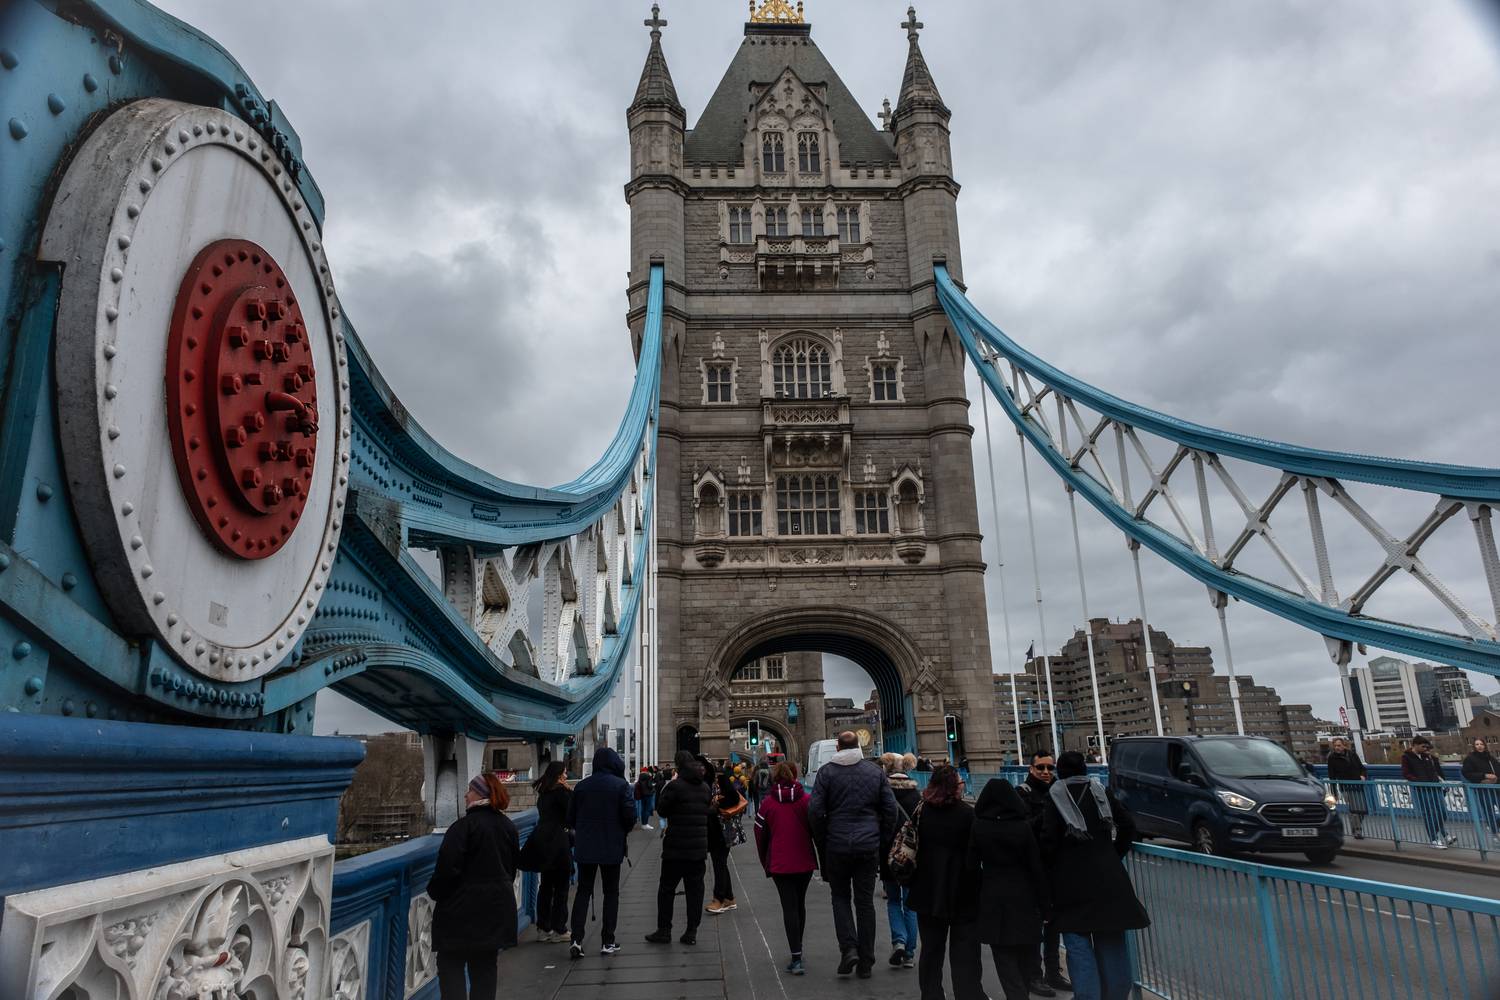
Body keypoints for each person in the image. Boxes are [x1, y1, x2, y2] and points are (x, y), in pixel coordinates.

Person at [1040, 751, 1149, 1000]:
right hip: (1107, 879)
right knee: (1112, 942)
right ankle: (1117, 995)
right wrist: (1112, 854)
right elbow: (1128, 826)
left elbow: (1048, 842)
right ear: (1085, 770)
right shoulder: (1101, 792)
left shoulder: (1055, 797)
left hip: (1071, 884)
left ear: (1059, 771)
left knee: (1078, 947)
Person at [808, 731, 900, 978]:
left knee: (840, 898)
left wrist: (822, 841)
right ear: (859, 746)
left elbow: (815, 812)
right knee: (864, 903)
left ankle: (849, 949)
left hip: (836, 845)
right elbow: (891, 809)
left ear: (838, 746)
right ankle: (867, 961)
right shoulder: (874, 772)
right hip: (867, 846)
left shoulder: (826, 773)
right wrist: (881, 839)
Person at [427, 773, 519, 1000]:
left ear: (479, 794)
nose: (466, 794)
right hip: (497, 910)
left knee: (451, 965)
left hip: (460, 912)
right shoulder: (508, 827)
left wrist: (435, 893)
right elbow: (511, 870)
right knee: (485, 969)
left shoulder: (462, 828)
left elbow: (447, 871)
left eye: (469, 789)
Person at [904, 764, 984, 1000]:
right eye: (959, 783)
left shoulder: (921, 811)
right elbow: (976, 853)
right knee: (965, 952)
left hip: (927, 890)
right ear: (952, 787)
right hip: (962, 890)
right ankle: (967, 994)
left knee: (930, 950)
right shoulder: (967, 814)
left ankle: (931, 995)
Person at [968, 779, 1049, 1000]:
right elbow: (1036, 867)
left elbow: (971, 867)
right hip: (1024, 897)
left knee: (1003, 958)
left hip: (993, 896)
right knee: (1026, 954)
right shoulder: (1022, 827)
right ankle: (1023, 992)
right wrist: (1045, 905)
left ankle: (1017, 996)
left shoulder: (979, 826)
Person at [566, 746, 636, 958]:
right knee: (611, 893)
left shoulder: (581, 786)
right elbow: (630, 817)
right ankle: (608, 941)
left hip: (586, 847)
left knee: (583, 892)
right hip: (611, 846)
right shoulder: (621, 785)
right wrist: (621, 829)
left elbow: (570, 819)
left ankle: (576, 939)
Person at [754, 760, 818, 975]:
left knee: (789, 907)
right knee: (800, 905)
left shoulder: (768, 804)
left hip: (780, 862)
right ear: (794, 775)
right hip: (804, 861)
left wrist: (765, 859)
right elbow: (817, 829)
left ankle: (796, 956)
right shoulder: (807, 801)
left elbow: (759, 833)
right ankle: (798, 952)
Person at [1014, 751, 1069, 997]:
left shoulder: (1061, 791)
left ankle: (1054, 973)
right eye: (1041, 768)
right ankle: (1034, 975)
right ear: (1031, 768)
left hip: (1057, 865)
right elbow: (1023, 828)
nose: (1046, 772)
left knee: (1055, 923)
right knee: (1036, 924)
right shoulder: (1022, 793)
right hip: (1034, 867)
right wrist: (1048, 812)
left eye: (1049, 767)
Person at [648, 751, 713, 945]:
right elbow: (707, 810)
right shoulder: (704, 787)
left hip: (675, 849)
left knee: (666, 890)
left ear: (677, 766)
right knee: (695, 892)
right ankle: (691, 931)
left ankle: (664, 930)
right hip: (698, 850)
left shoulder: (675, 786)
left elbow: (662, 809)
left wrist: (670, 785)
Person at [517, 761, 572, 943]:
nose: (566, 776)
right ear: (558, 775)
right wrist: (570, 791)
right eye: (564, 773)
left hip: (542, 840)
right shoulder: (561, 793)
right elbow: (573, 815)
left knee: (546, 885)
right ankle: (559, 929)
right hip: (559, 842)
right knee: (562, 887)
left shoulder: (544, 793)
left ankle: (543, 927)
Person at [879, 751, 920, 969]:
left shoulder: (881, 794)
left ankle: (899, 942)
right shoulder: (917, 795)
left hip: (887, 856)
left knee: (894, 901)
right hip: (910, 857)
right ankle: (910, 953)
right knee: (911, 905)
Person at [1402, 736, 1456, 849]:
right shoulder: (1406, 757)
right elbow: (1406, 773)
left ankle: (1438, 834)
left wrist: (1442, 783)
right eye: (1423, 746)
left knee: (1442, 812)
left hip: (1435, 787)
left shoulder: (1427, 756)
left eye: (1427, 746)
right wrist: (1418, 781)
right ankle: (1434, 839)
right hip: (1422, 789)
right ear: (1415, 745)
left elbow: (1435, 772)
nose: (1425, 748)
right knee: (1429, 814)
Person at [703, 757, 742, 913]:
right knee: (720, 863)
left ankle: (718, 899)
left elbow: (734, 797)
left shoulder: (720, 779)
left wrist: (717, 807)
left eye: (703, 767)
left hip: (723, 829)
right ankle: (729, 898)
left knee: (719, 863)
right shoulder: (703, 783)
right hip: (712, 830)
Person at [1325, 737, 1368, 840]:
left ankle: (1356, 827)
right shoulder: (1332, 758)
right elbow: (1332, 776)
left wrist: (1363, 775)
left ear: (1344, 745)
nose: (1337, 748)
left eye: (1339, 745)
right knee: (1354, 809)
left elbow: (1362, 768)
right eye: (1335, 746)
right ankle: (1357, 830)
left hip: (1358, 785)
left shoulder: (1352, 754)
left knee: (1362, 810)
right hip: (1346, 786)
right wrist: (1334, 792)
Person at [1461, 737, 1500, 844]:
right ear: (1474, 746)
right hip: (1483, 788)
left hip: (1496, 787)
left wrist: (1497, 778)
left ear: (1484, 745)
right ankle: (1495, 833)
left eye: (1481, 744)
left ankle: (1494, 824)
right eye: (1477, 744)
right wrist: (1484, 776)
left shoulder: (1490, 758)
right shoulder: (1470, 758)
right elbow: (1467, 773)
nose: (1479, 746)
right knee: (1489, 811)